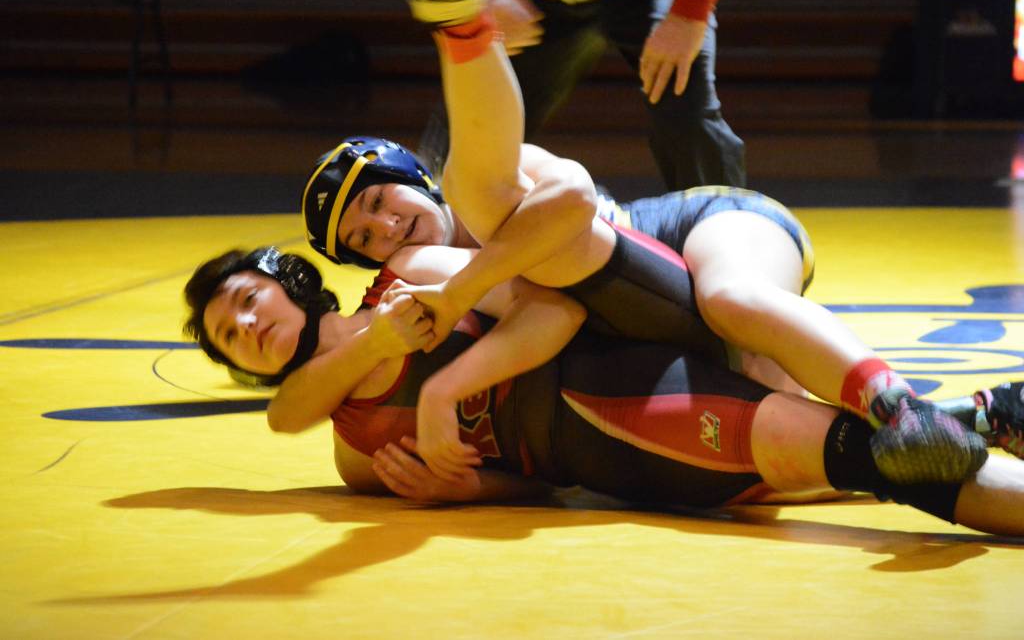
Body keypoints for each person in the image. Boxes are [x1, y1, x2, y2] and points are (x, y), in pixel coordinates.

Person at [296, 11, 1020, 480]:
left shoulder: (485, 185)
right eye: (363, 239)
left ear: (410, 175)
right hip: (657, 329)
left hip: (698, 232)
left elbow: (572, 206)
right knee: (772, 469)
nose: (384, 231)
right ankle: (982, 415)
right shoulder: (421, 287)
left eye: (377, 202)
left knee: (732, 298)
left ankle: (900, 406)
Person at [182, 246, 1024, 537]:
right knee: (861, 468)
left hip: (625, 385)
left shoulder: (414, 279)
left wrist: (446, 381)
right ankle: (977, 419)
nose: (247, 324)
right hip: (619, 467)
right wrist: (471, 489)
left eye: (247, 299)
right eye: (229, 333)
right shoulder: (356, 453)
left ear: (288, 280)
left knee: (877, 465)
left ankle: (960, 428)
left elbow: (550, 308)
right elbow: (544, 488)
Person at [311, 0, 744, 190]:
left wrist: (690, 11)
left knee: (687, 115)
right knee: (470, 130)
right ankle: (439, 263)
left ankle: (736, 254)